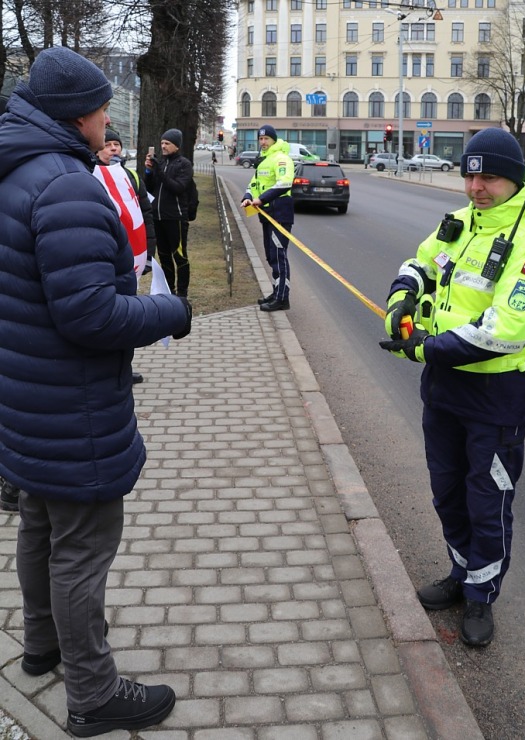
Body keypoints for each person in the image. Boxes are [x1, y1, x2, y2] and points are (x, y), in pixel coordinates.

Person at [0, 47, 192, 736]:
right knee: (81, 547)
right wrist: (173, 313)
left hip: (25, 400)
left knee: (41, 530)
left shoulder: (15, 172)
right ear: (78, 113)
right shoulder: (65, 185)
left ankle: (42, 646)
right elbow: (91, 316)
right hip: (71, 406)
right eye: (103, 106)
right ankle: (92, 694)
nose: (108, 117)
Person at [379, 128, 525, 647]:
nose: (476, 187)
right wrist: (401, 302)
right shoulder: (461, 223)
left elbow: (502, 332)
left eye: (489, 177)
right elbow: (420, 265)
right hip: (443, 391)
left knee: (487, 503)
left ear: (515, 177)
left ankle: (483, 599)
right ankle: (462, 575)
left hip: (496, 399)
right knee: (448, 494)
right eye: (470, 175)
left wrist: (422, 349)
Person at [96, 128, 157, 384]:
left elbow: (145, 214)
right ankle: (103, 369)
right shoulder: (88, 175)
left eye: (116, 144)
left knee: (126, 314)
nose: (113, 149)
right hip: (104, 259)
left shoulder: (130, 175)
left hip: (131, 258)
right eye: (108, 144)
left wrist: (148, 254)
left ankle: (123, 367)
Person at [240, 124, 295, 312]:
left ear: (274, 139)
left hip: (280, 213)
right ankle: (276, 292)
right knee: (271, 256)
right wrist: (248, 197)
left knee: (279, 256)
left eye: (266, 139)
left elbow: (285, 182)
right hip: (267, 215)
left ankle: (282, 299)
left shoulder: (281, 158)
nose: (263, 142)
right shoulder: (263, 160)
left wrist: (261, 199)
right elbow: (254, 183)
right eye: (260, 139)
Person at [144, 129, 194, 297]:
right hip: (158, 217)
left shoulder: (184, 164)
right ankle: (168, 290)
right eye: (162, 143)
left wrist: (159, 171)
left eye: (167, 143)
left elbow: (178, 188)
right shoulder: (162, 163)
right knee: (164, 256)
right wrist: (149, 172)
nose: (163, 146)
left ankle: (182, 293)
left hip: (175, 218)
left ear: (177, 146)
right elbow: (150, 189)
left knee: (179, 256)